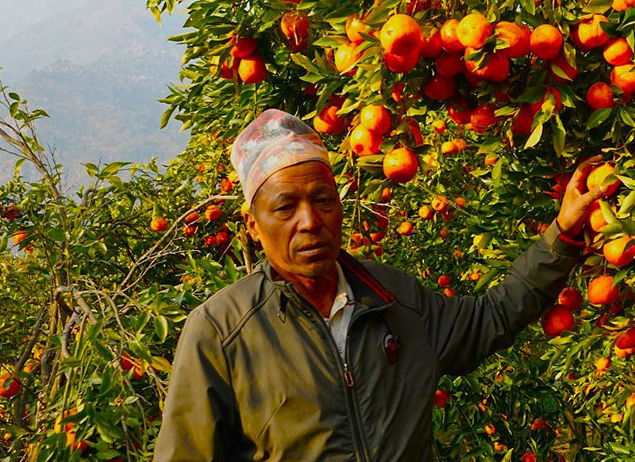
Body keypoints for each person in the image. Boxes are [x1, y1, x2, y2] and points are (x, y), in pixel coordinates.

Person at [154, 109, 608, 461]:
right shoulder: (220, 332)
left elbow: (490, 318)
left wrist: (563, 233)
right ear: (253, 226)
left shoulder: (393, 298)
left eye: (323, 200)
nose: (310, 222)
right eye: (285, 207)